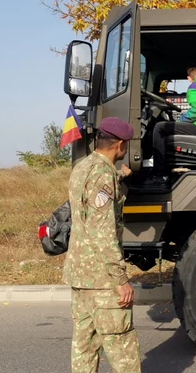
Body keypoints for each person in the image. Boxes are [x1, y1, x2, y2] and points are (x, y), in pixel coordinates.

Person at [62, 117, 142, 373]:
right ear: (119, 145)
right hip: (102, 278)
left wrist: (120, 176)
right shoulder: (103, 175)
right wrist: (120, 278)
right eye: (125, 145)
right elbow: (103, 230)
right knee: (122, 347)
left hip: (80, 275)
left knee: (85, 346)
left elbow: (94, 199)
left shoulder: (83, 167)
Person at [151, 65, 196, 173]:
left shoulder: (195, 87)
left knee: (160, 127)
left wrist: (180, 121)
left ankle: (158, 172)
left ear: (189, 78)